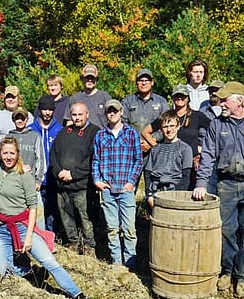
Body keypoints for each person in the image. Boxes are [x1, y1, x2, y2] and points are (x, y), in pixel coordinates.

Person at [193, 81, 244, 296]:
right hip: (226, 184)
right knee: (226, 230)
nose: (220, 103)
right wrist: (201, 183)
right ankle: (227, 271)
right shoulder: (216, 124)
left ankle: (243, 276)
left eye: (224, 99)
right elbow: (208, 156)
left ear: (239, 101)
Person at [0, 137, 88, 299]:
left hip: (21, 226)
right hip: (1, 228)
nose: (8, 157)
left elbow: (33, 207)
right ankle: (24, 279)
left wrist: (28, 237)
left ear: (17, 154)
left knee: (48, 260)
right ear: (0, 153)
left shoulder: (24, 175)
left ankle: (77, 294)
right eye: (5, 153)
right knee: (5, 274)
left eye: (12, 153)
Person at [93, 99, 143, 268]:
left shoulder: (131, 133)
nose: (112, 113)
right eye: (109, 111)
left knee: (129, 229)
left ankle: (131, 265)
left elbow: (138, 160)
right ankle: (117, 264)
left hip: (125, 189)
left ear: (121, 112)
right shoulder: (100, 135)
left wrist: (131, 182)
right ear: (106, 114)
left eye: (115, 110)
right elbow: (96, 160)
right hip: (107, 189)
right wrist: (97, 180)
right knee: (112, 229)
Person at [50, 101, 100, 253]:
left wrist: (73, 174)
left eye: (80, 114)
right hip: (63, 185)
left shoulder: (94, 132)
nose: (77, 118)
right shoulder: (64, 132)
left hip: (82, 186)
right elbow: (53, 154)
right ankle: (72, 243)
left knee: (86, 219)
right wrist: (58, 171)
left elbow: (93, 158)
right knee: (66, 216)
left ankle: (88, 247)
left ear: (87, 114)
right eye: (74, 115)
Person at [140, 85, 208, 182]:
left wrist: (203, 149)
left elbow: (213, 130)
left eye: (183, 96)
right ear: (173, 98)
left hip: (191, 164)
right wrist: (156, 147)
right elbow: (145, 132)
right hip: (170, 164)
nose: (179, 98)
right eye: (177, 96)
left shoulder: (197, 116)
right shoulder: (167, 117)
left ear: (188, 98)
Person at [143, 111, 194, 208]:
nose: (169, 130)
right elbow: (148, 173)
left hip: (175, 192)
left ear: (178, 126)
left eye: (172, 126)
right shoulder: (156, 149)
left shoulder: (185, 149)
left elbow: (186, 176)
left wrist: (176, 197)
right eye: (165, 127)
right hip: (156, 193)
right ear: (161, 129)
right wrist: (149, 195)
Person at [33, 95, 64, 232]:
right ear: (39, 110)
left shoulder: (60, 130)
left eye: (50, 109)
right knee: (38, 211)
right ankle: (39, 235)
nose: (47, 112)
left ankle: (52, 237)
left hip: (54, 177)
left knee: (53, 210)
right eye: (44, 109)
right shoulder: (31, 129)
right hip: (37, 179)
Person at [121, 68, 169, 145]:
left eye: (146, 80)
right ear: (136, 83)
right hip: (132, 146)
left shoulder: (161, 102)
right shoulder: (127, 102)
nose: (143, 83)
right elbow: (122, 124)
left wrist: (151, 140)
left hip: (156, 146)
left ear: (152, 82)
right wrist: (137, 140)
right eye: (140, 80)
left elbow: (167, 124)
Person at [69, 63, 112, 128]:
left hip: (101, 136)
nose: (90, 80)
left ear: (96, 80)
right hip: (80, 135)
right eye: (87, 77)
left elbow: (112, 118)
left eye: (92, 77)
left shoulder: (105, 97)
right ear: (82, 79)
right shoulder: (74, 98)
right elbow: (69, 121)